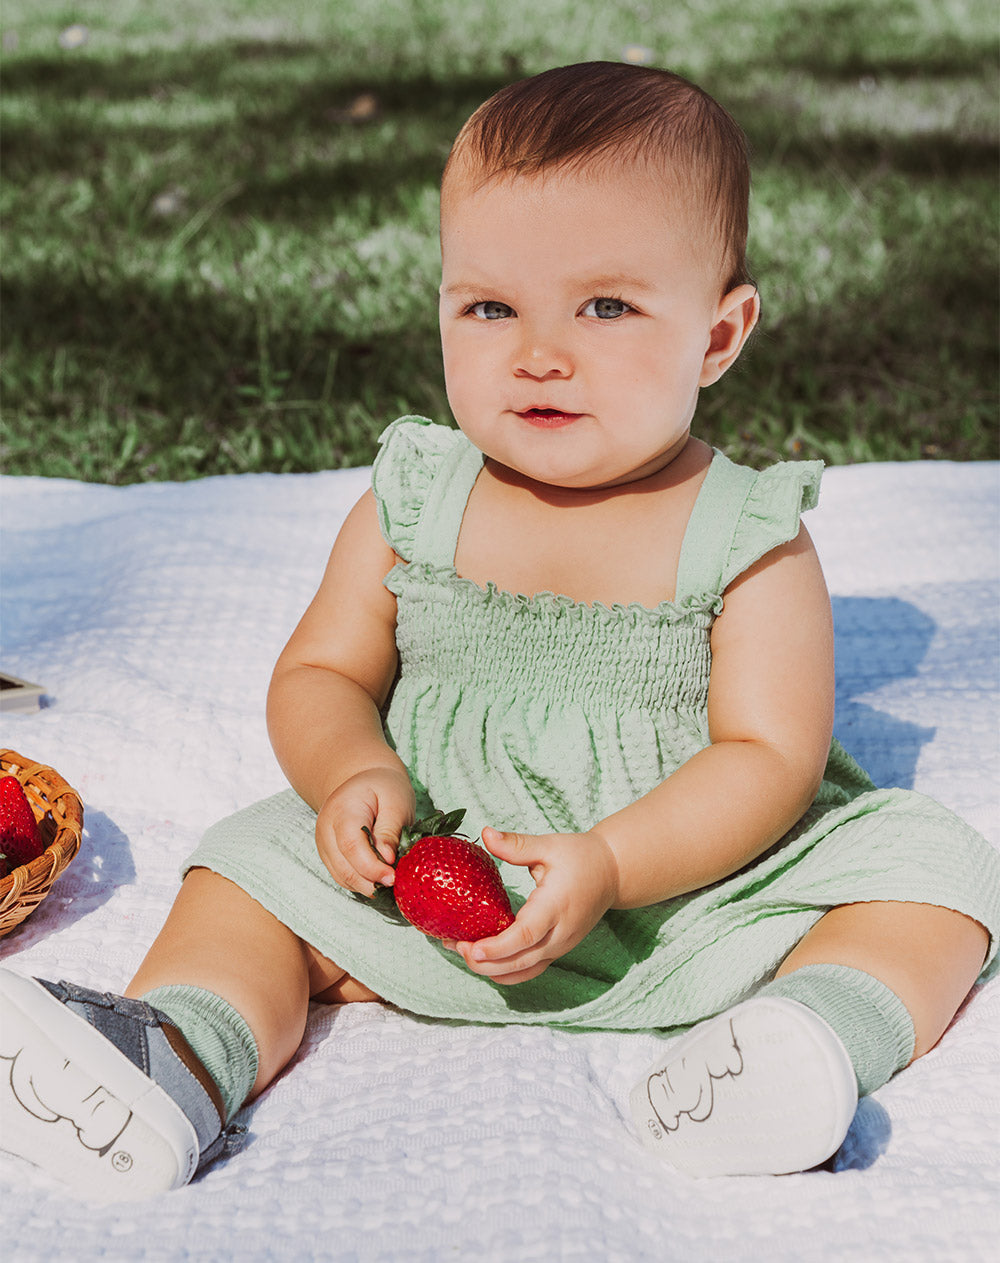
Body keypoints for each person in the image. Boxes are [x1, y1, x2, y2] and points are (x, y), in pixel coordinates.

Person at [2, 61, 997, 1199]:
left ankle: (799, 1043)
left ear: (720, 337)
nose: (538, 351)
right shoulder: (415, 499)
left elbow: (770, 757)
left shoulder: (747, 536)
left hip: (691, 899)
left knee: (932, 871)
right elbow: (322, 668)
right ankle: (179, 1056)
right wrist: (351, 772)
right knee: (240, 870)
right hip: (431, 872)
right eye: (489, 306)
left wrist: (616, 863)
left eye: (607, 306)